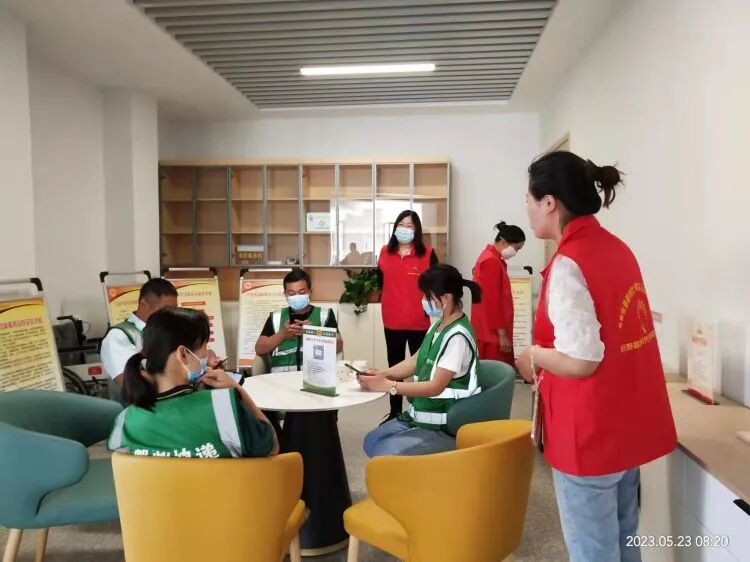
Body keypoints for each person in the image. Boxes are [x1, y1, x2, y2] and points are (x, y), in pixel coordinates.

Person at [516, 151, 676, 562]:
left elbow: (582, 360)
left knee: (593, 551)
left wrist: (534, 354)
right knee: (624, 537)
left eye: (529, 200)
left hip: (588, 433)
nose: (527, 210)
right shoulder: (617, 248)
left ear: (549, 202)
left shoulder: (569, 262)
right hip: (625, 428)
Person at [108, 307, 278, 458]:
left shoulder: (125, 421)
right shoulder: (223, 406)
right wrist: (237, 389)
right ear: (183, 354)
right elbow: (271, 447)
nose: (207, 354)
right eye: (205, 346)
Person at [360, 264, 482, 457]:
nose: (423, 301)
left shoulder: (457, 337)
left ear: (445, 298)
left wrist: (390, 386)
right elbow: (415, 361)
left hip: (444, 425)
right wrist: (383, 374)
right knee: (371, 441)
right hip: (422, 415)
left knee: (383, 452)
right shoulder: (438, 326)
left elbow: (435, 387)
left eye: (427, 296)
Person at [377, 210, 439, 422]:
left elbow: (436, 286)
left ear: (417, 230)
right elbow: (381, 282)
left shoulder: (427, 254)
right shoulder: (385, 252)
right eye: (401, 225)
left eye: (410, 226)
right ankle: (394, 412)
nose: (404, 229)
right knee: (395, 368)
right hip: (392, 321)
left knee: (421, 369)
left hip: (418, 322)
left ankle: (420, 412)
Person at [100, 279, 178, 403]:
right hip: (135, 411)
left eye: (174, 309)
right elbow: (133, 384)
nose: (171, 315)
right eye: (165, 310)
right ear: (143, 304)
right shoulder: (119, 336)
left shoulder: (168, 332)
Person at [255, 267, 343, 372]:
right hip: (280, 376)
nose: (296, 297)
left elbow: (339, 346)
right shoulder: (276, 317)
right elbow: (259, 349)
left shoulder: (324, 314)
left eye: (301, 292)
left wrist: (313, 333)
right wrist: (283, 334)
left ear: (310, 291)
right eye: (291, 294)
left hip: (314, 374)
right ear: (285, 294)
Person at [471, 221, 526, 365]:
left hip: (488, 330)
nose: (516, 253)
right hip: (493, 334)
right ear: (504, 242)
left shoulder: (489, 257)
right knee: (499, 372)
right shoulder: (491, 262)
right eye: (516, 248)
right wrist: (502, 335)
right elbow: (492, 301)